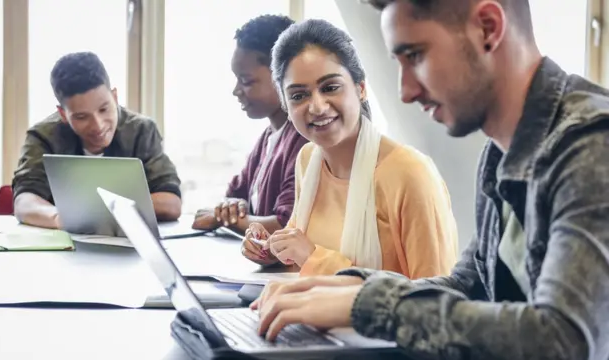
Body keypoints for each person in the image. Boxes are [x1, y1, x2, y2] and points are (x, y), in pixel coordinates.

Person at [252, 1, 609, 359]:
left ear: (487, 28)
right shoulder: (500, 151)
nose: (405, 91)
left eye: (416, 56)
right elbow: (468, 286)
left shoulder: (593, 146)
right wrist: (345, 290)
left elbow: (564, 339)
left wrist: (372, 306)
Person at [240, 19, 459, 278]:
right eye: (299, 95)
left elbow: (434, 301)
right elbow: (300, 259)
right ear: (286, 105)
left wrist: (313, 257)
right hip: (312, 314)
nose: (317, 107)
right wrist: (270, 251)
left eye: (330, 87)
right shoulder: (308, 160)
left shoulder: (410, 174)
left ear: (361, 88)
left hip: (373, 319)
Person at [13, 52, 182, 229]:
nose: (98, 125)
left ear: (114, 97)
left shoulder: (141, 131)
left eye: (104, 109)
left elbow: (171, 202)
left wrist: (99, 210)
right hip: (65, 246)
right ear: (63, 114)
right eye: (81, 117)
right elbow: (24, 201)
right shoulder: (43, 136)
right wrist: (59, 218)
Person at [192, 15, 309, 236]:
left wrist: (222, 218)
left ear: (283, 75)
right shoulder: (267, 138)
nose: (236, 90)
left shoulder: (305, 140)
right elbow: (235, 196)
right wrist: (229, 210)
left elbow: (286, 226)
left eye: (246, 81)